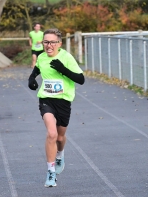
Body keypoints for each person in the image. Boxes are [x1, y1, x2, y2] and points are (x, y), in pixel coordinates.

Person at [28, 28, 85, 187]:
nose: (49, 45)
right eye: (46, 42)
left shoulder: (67, 57)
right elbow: (36, 70)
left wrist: (63, 69)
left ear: (59, 43)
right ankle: (51, 172)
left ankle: (60, 154)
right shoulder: (41, 57)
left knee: (60, 138)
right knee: (51, 134)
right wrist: (31, 79)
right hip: (46, 99)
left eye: (53, 42)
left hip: (63, 102)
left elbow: (81, 79)